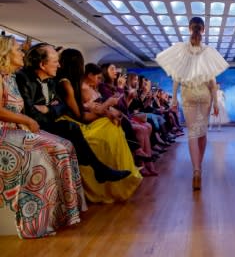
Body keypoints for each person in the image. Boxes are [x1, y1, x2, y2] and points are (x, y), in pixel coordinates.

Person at [0, 36, 86, 238]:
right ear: (5, 53)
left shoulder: (11, 78)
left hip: (17, 129)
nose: (22, 53)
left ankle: (63, 213)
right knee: (52, 150)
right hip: (5, 132)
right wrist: (27, 120)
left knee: (66, 145)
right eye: (18, 50)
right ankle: (34, 222)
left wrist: (26, 120)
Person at [16, 43, 131, 184]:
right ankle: (98, 168)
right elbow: (33, 115)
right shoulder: (23, 78)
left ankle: (98, 168)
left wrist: (48, 109)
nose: (59, 65)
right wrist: (53, 109)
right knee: (74, 127)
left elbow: (62, 106)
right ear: (42, 65)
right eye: (55, 62)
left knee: (104, 125)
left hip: (51, 121)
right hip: (34, 126)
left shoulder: (51, 81)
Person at [56, 50, 143, 203]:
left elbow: (85, 109)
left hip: (78, 120)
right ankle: (111, 180)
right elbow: (80, 117)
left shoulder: (72, 83)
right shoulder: (66, 84)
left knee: (112, 125)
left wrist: (103, 110)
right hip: (72, 123)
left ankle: (119, 175)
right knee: (110, 128)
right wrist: (106, 107)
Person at [155, 16, 229, 190]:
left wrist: (173, 97)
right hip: (204, 95)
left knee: (192, 134)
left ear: (190, 29)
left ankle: (196, 169)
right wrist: (216, 102)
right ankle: (199, 166)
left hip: (187, 93)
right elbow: (212, 81)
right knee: (202, 132)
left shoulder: (181, 50)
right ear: (203, 30)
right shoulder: (208, 51)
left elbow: (176, 77)